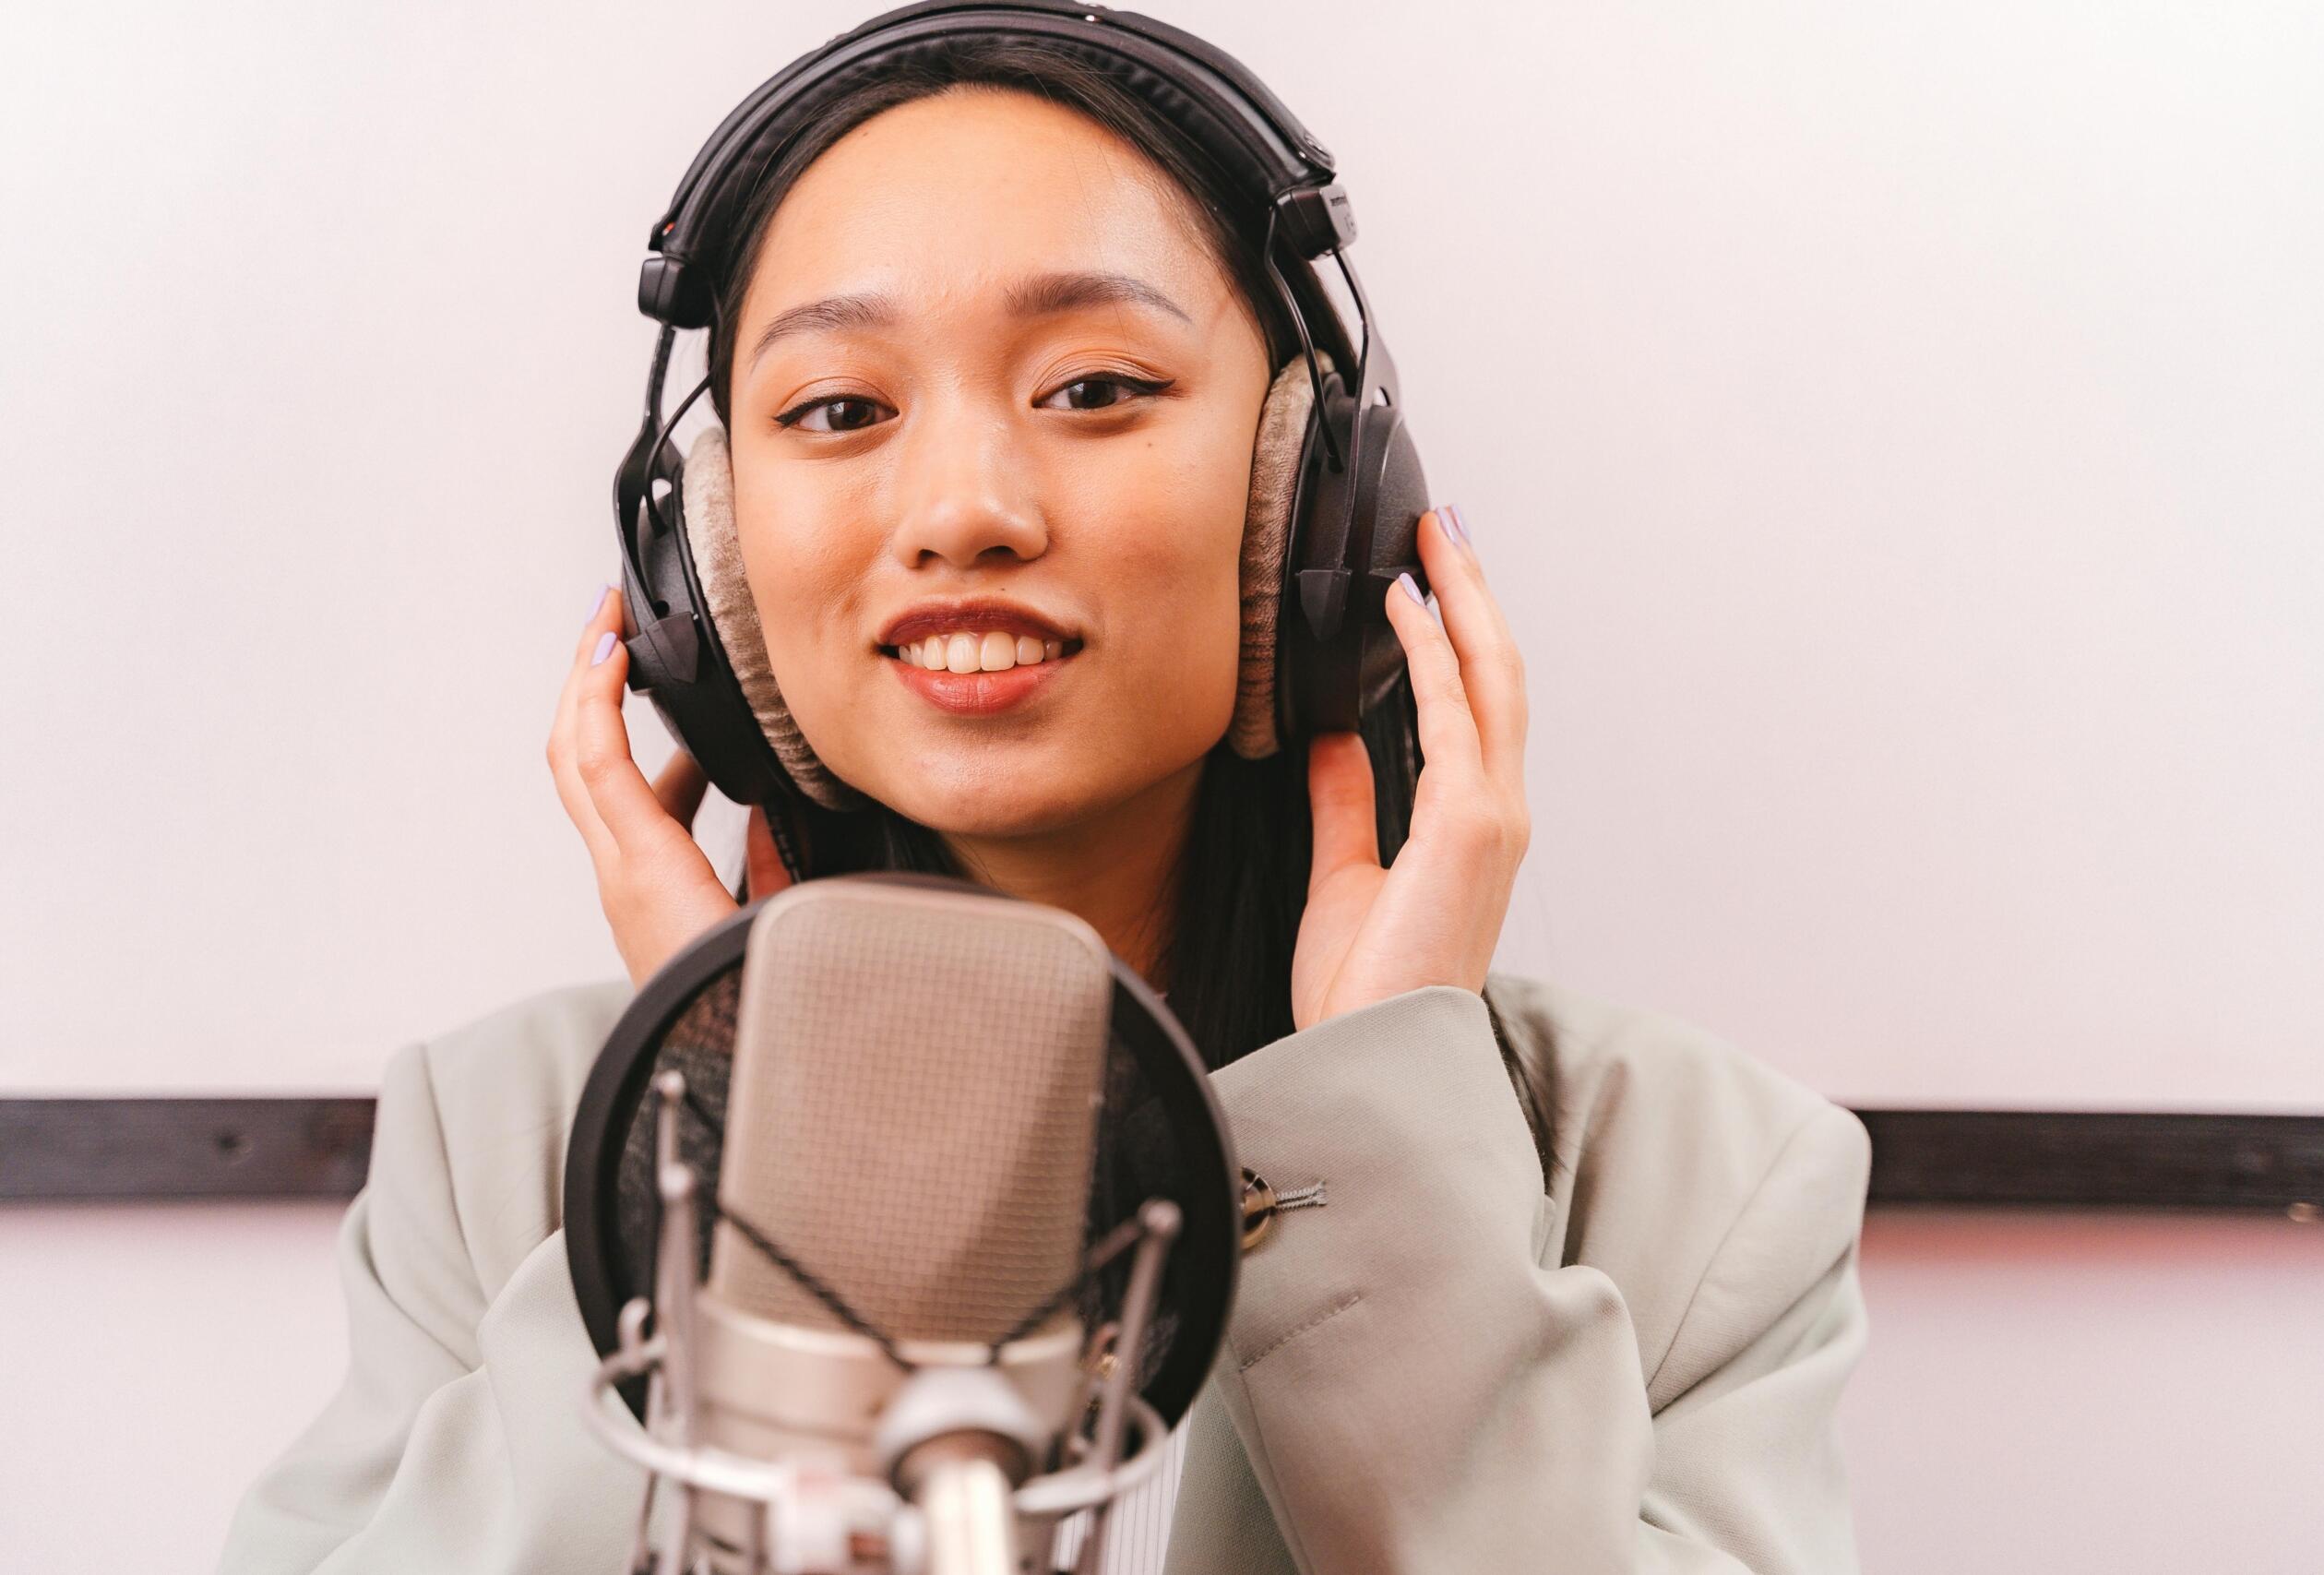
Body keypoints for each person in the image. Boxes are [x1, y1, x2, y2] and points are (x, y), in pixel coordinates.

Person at [218, 31, 1872, 1575]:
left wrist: (1375, 1135)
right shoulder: (500, 1145)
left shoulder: (1705, 1189)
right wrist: (743, 1121)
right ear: (706, 567)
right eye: (841, 410)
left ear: (1307, 503)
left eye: (1092, 389)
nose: (962, 511)